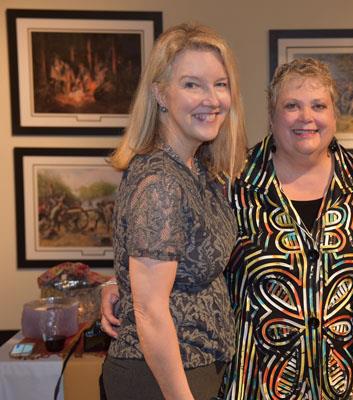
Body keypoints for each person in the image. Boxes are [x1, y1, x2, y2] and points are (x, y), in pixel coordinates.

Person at [100, 22, 247, 400]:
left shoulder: (199, 168)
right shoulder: (161, 182)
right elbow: (150, 312)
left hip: (191, 370)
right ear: (160, 94)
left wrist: (116, 282)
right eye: (192, 84)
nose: (211, 98)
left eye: (220, 83)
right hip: (159, 380)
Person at [221, 58, 353, 399]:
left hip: (346, 386)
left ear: (334, 115)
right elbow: (191, 259)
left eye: (318, 105)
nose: (306, 117)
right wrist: (122, 282)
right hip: (254, 385)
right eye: (292, 106)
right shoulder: (234, 183)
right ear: (273, 117)